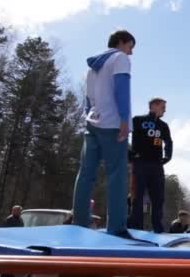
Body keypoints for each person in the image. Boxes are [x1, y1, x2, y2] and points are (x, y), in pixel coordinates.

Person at [72, 30, 135, 237]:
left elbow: (88, 99)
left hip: (92, 123)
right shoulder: (120, 58)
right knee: (117, 176)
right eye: (130, 46)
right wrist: (125, 118)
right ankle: (116, 227)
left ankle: (79, 222)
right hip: (113, 124)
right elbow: (121, 88)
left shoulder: (93, 67)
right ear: (121, 42)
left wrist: (89, 117)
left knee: (86, 174)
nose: (131, 52)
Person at [129, 97, 173, 233]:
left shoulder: (163, 125)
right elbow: (123, 134)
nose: (165, 110)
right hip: (140, 163)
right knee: (137, 197)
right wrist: (130, 155)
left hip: (156, 166)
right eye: (163, 106)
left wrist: (167, 157)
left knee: (158, 198)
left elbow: (169, 142)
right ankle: (136, 228)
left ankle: (158, 228)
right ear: (153, 105)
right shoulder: (137, 120)